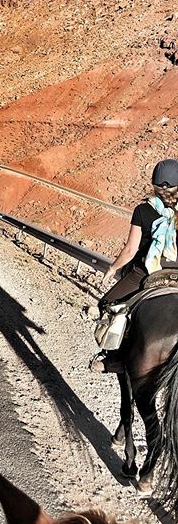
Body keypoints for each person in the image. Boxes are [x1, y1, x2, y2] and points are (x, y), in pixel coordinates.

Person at [91, 158, 178, 372]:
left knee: (108, 303)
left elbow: (130, 251)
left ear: (154, 184)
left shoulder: (143, 210)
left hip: (147, 272)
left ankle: (113, 359)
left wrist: (112, 269)